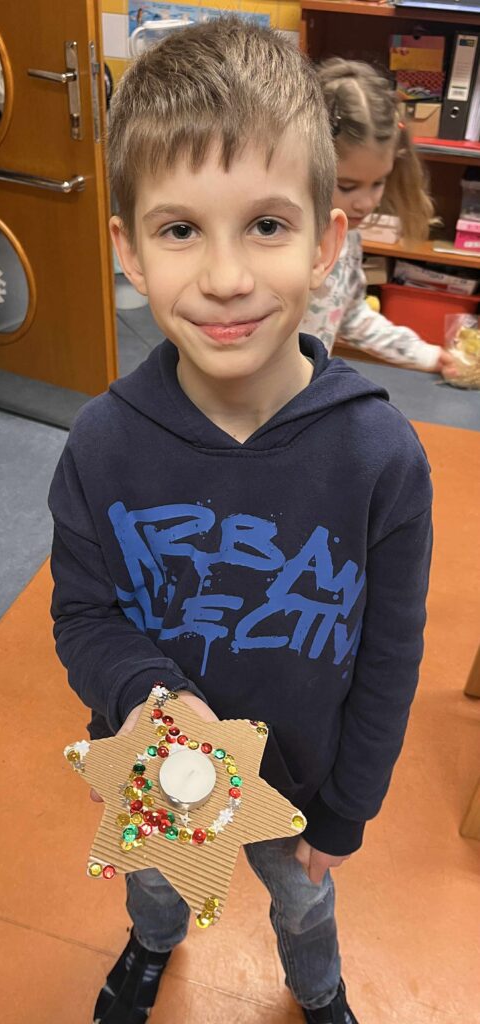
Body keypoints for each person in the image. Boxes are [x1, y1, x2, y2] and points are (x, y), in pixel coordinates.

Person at [49, 19, 432, 1024]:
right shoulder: (101, 444)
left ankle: (320, 991)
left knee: (304, 904)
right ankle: (152, 948)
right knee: (155, 884)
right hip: (160, 770)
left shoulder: (380, 458)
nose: (225, 277)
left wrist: (349, 809)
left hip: (304, 783)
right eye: (180, 230)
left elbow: (390, 651)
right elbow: (83, 615)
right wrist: (150, 700)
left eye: (266, 224)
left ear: (327, 243)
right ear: (130, 251)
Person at [301, 58, 457, 378]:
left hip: (304, 390)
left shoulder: (346, 238)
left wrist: (429, 356)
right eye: (347, 186)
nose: (366, 203)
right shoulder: (276, 242)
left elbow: (351, 315)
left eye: (378, 183)